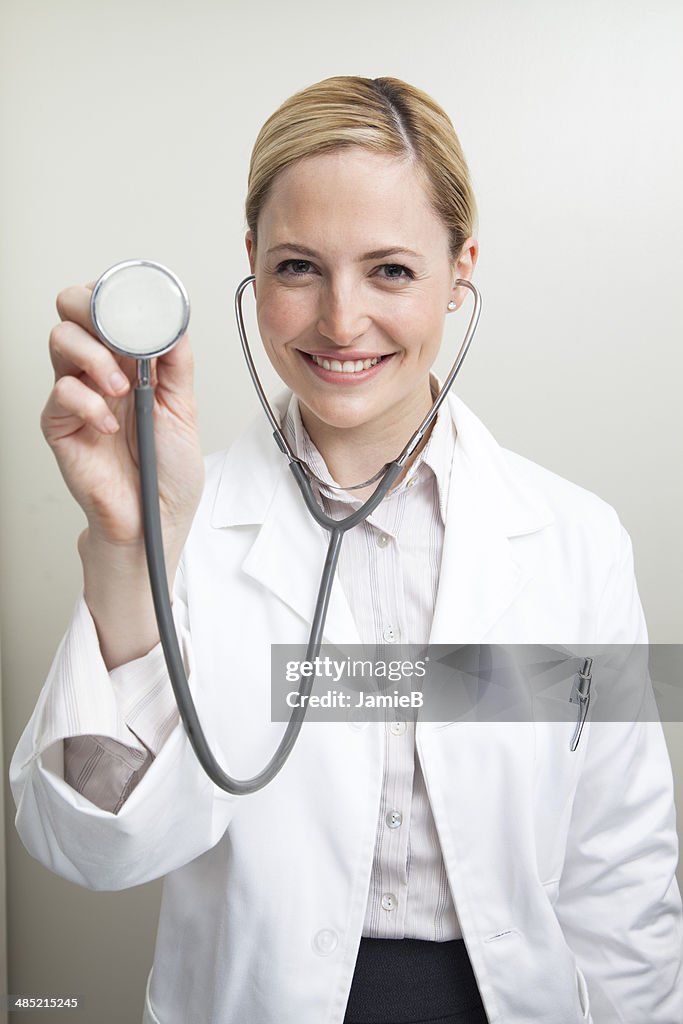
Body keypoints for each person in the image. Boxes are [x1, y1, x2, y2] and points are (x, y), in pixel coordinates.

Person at [10, 76, 682, 1024]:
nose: (340, 320)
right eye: (297, 267)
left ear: (461, 273)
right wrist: (129, 547)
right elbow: (93, 851)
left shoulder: (577, 542)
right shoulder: (182, 527)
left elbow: (622, 866)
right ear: (250, 261)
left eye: (392, 270)